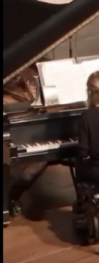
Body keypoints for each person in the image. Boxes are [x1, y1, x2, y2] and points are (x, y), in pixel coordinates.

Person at [3, 66, 48, 214]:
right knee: (26, 166)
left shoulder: (29, 84)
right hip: (20, 131)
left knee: (42, 159)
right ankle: (10, 197)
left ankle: (13, 195)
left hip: (34, 130)